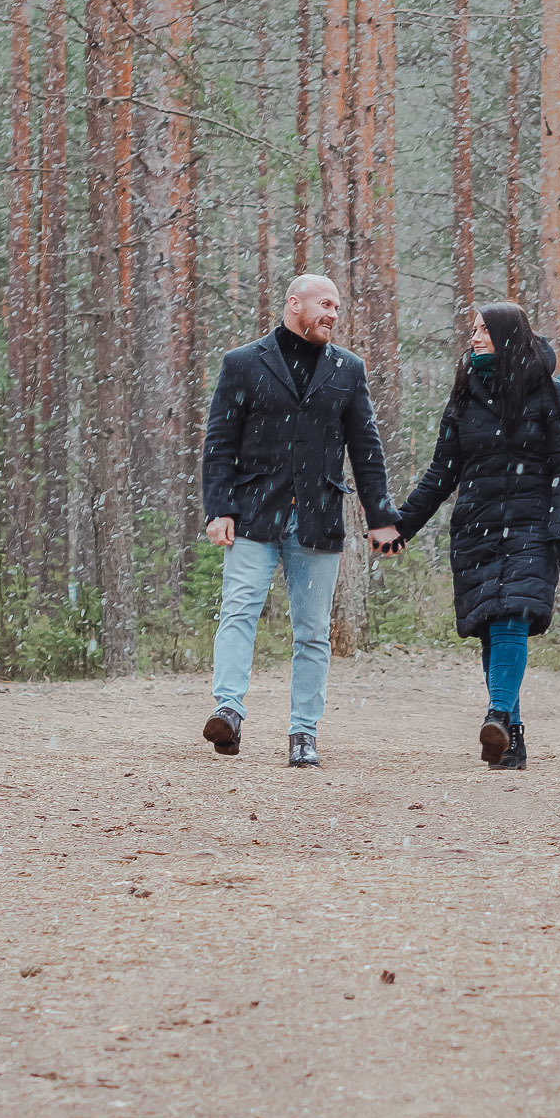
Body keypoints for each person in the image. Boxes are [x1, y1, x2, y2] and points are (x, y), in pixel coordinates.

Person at [200, 273, 404, 767]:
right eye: (325, 304)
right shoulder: (243, 363)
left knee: (313, 631)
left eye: (337, 306)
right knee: (238, 611)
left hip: (318, 519)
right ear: (295, 304)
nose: (333, 314)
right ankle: (228, 711)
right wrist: (218, 507)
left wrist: (381, 516)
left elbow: (366, 448)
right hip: (252, 514)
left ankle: (303, 734)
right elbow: (220, 441)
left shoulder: (348, 369)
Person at [386, 302, 560, 770]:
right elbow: (442, 472)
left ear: (508, 337)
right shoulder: (465, 396)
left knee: (513, 614)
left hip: (532, 528)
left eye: (482, 332)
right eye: (472, 331)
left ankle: (496, 713)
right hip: (476, 527)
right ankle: (510, 735)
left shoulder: (553, 397)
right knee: (490, 626)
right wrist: (403, 525)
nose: (473, 338)